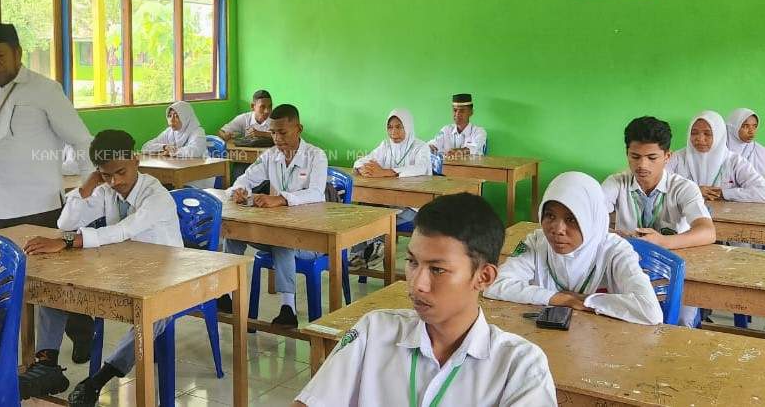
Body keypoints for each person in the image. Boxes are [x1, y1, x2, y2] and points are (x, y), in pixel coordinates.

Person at [293, 193, 556, 407]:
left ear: (484, 277)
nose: (417, 284)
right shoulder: (374, 332)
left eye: (437, 269)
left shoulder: (519, 366)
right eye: (412, 262)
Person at [14, 130, 181, 404]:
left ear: (136, 160)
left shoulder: (156, 195)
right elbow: (64, 224)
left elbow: (124, 230)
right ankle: (47, 364)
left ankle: (100, 378)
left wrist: (69, 242)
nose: (115, 182)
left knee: (155, 314)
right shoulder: (106, 189)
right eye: (106, 175)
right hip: (122, 269)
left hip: (165, 274)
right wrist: (87, 186)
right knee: (53, 284)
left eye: (120, 172)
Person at [485, 172, 663, 326]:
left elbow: (650, 310)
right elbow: (495, 285)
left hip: (602, 344)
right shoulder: (536, 242)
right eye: (549, 215)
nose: (557, 229)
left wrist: (588, 301)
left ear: (591, 219)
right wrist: (565, 299)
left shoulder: (615, 250)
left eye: (572, 219)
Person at [0, 23, 93, 232]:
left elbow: (81, 140)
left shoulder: (46, 89)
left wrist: (89, 190)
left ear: (18, 53)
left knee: (42, 266)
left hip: (37, 208)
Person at [219, 104, 328, 328]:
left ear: (299, 129)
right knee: (234, 234)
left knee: (282, 241)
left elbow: (317, 193)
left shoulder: (316, 156)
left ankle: (288, 308)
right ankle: (227, 296)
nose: (277, 138)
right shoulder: (271, 156)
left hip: (310, 237)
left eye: (283, 132)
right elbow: (245, 179)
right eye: (273, 132)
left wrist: (281, 199)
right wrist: (239, 191)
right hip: (277, 231)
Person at [601, 116, 716, 249]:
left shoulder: (683, 188)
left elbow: (708, 232)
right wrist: (614, 235)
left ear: (667, 157)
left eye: (652, 158)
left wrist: (663, 242)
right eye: (635, 156)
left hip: (673, 258)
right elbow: (590, 219)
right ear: (627, 154)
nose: (642, 165)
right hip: (627, 258)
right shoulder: (616, 182)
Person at [349, 108, 430, 269]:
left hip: (412, 206)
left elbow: (421, 168)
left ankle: (375, 247)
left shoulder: (421, 147)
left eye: (399, 126)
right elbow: (362, 161)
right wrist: (362, 168)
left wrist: (386, 172)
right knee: (366, 209)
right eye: (390, 127)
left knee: (381, 217)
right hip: (387, 202)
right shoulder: (385, 146)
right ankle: (364, 252)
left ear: (408, 126)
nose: (394, 131)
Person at [666, 111, 765, 203]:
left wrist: (723, 193)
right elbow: (657, 184)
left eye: (707, 134)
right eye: (694, 133)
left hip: (723, 218)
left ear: (719, 135)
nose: (699, 138)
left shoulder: (734, 161)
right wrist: (693, 190)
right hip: (684, 219)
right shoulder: (677, 157)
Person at [141, 100, 215, 188]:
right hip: (176, 172)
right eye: (169, 116)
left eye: (177, 116)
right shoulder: (169, 132)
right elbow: (145, 147)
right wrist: (164, 147)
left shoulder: (197, 131)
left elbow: (195, 151)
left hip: (197, 176)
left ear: (186, 117)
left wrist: (172, 152)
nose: (172, 120)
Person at [725, 108, 765, 176]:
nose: (751, 131)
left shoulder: (762, 154)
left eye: (754, 126)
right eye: (745, 126)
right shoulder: (718, 150)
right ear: (733, 127)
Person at [429, 93, 487, 158]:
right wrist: (430, 147)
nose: (457, 114)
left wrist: (459, 151)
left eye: (462, 111)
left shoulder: (479, 131)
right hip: (447, 167)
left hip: (471, 168)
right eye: (455, 110)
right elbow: (434, 143)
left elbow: (476, 148)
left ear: (471, 112)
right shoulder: (446, 130)